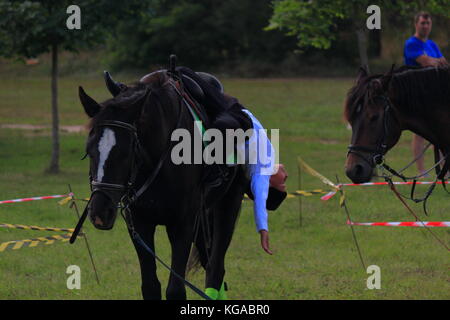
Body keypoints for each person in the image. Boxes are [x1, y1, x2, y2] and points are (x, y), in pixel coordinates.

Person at [403, 11, 449, 176]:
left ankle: (445, 168)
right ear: (416, 24)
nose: (425, 26)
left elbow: (443, 65)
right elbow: (427, 63)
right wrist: (435, 62)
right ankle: (422, 170)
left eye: (428, 23)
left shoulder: (432, 44)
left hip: (434, 93)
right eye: (422, 23)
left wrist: (436, 63)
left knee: (442, 129)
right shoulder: (411, 44)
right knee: (420, 134)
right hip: (418, 94)